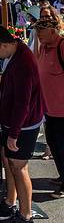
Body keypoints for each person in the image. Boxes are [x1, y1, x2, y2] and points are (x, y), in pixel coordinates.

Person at [0, 24, 45, 223]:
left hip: (25, 124)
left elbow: (23, 103)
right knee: (9, 161)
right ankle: (10, 202)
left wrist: (14, 134)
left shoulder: (24, 63)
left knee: (19, 167)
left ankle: (26, 215)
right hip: (14, 120)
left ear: (4, 45)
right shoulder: (15, 54)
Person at [32, 16, 64, 197]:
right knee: (53, 143)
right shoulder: (43, 47)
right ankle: (62, 175)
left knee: (62, 146)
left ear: (53, 32)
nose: (39, 37)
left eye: (42, 34)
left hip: (62, 110)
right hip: (48, 108)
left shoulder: (61, 46)